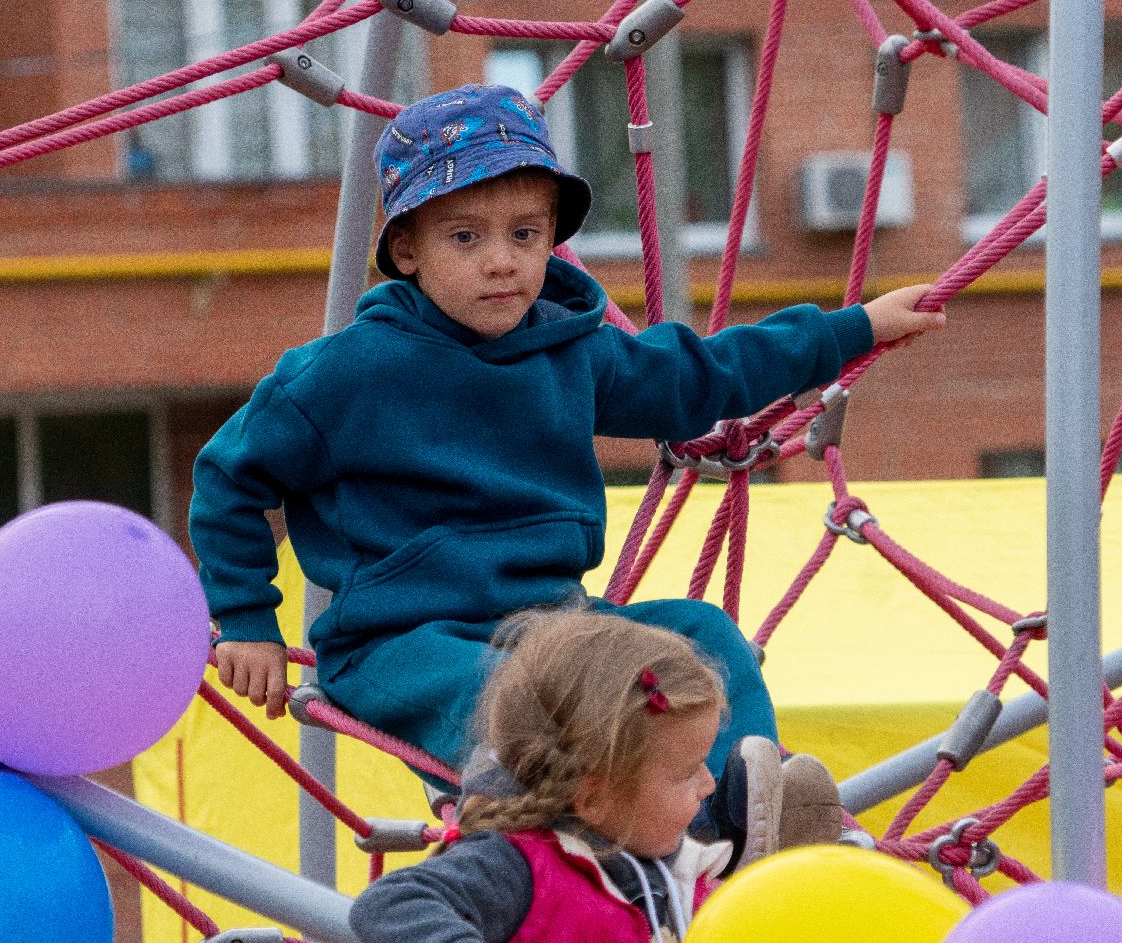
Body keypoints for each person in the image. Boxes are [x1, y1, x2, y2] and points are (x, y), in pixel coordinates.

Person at [190, 82, 944, 783]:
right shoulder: (346, 372)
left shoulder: (572, 351)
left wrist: (850, 329)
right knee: (509, 692)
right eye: (465, 238)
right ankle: (529, 803)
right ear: (409, 250)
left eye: (524, 234)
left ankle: (744, 798)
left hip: (554, 628)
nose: (501, 262)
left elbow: (700, 376)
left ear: (551, 238)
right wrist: (247, 617)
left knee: (700, 636)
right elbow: (228, 475)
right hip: (400, 642)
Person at [349, 610, 842, 943]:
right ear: (592, 797)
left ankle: (759, 863)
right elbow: (391, 904)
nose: (709, 783)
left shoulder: (673, 867)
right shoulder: (518, 864)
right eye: (686, 772)